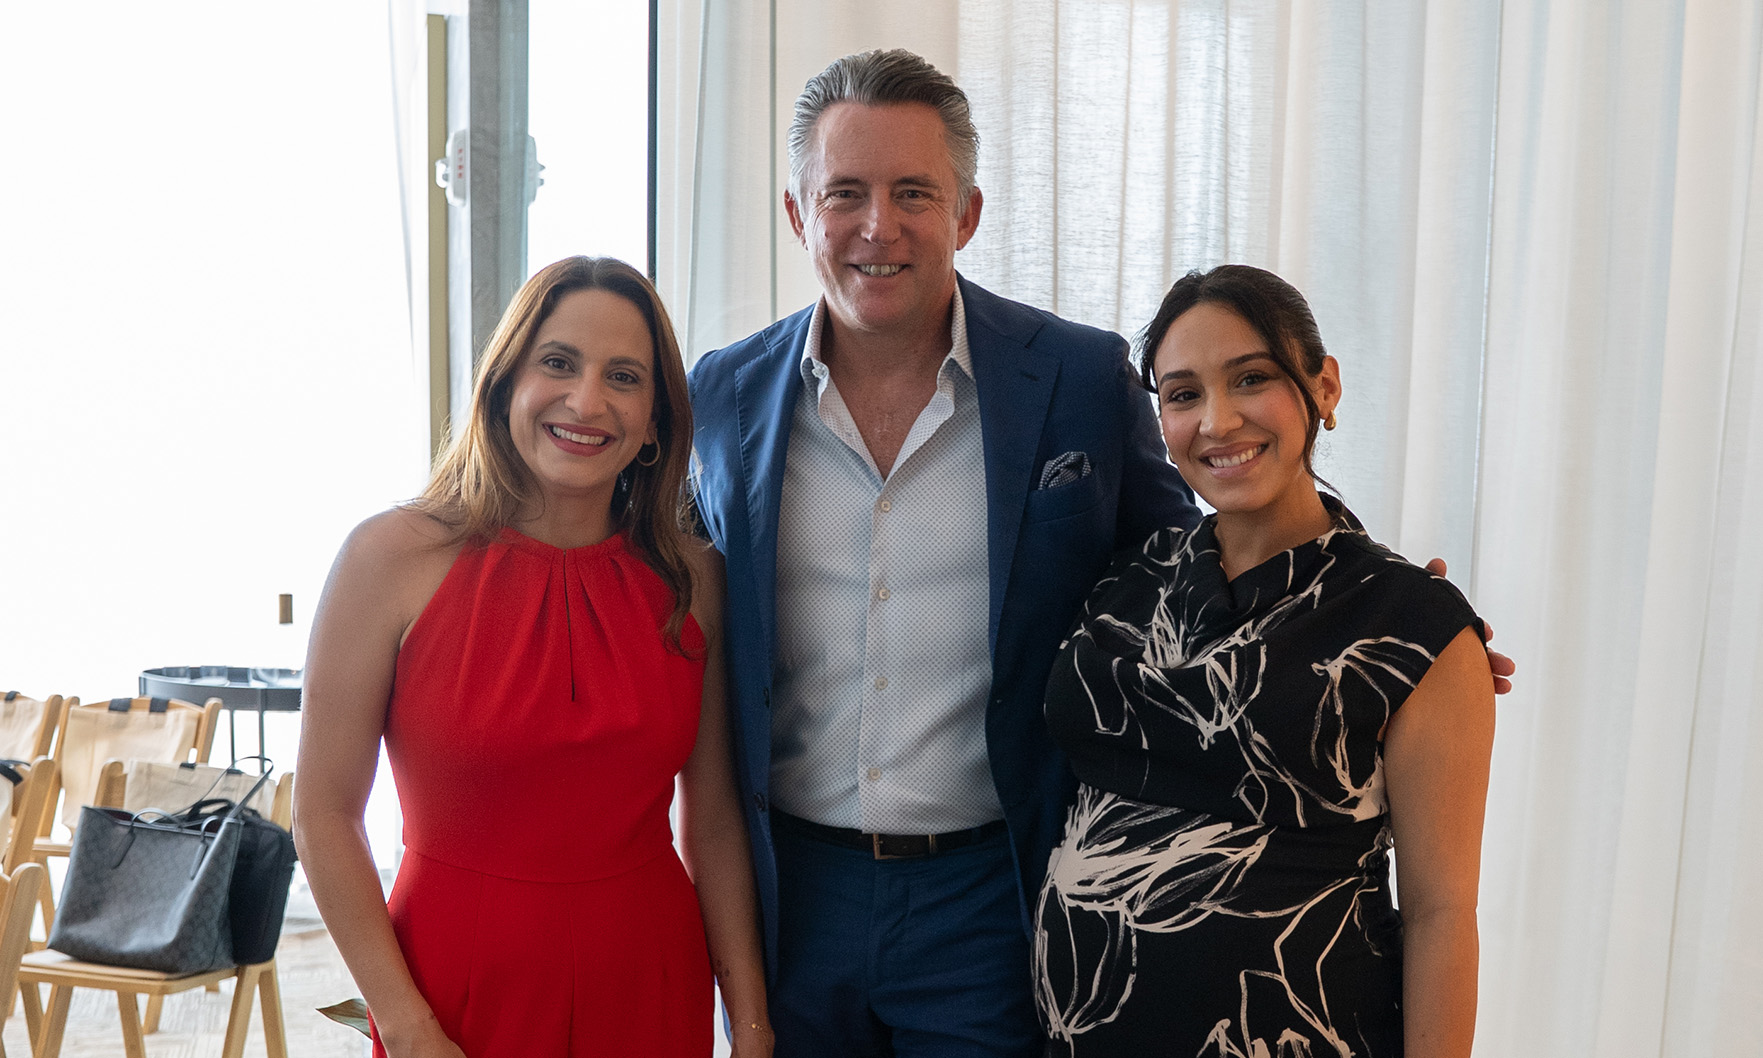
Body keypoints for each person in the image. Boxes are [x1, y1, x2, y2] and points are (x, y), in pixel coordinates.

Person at [687, 50, 1200, 1058]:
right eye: (844, 193)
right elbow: (645, 582)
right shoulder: (720, 394)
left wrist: (1373, 611)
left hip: (995, 891)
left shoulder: (1079, 378)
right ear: (797, 215)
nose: (877, 225)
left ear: (965, 214)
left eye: (912, 193)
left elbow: (1199, 566)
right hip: (793, 895)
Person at [295, 257, 772, 1058]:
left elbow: (715, 824)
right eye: (557, 362)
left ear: (655, 421)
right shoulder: (387, 559)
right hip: (453, 991)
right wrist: (405, 1026)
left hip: (650, 983)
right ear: (503, 383)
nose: (586, 401)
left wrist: (750, 1022)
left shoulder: (695, 581)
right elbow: (323, 814)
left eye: (624, 377)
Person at [1034, 264, 1495, 1057]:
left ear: (1324, 387)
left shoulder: (1412, 625)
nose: (1216, 421)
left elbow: (1440, 911)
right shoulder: (1122, 581)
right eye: (1182, 394)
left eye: (1251, 378)